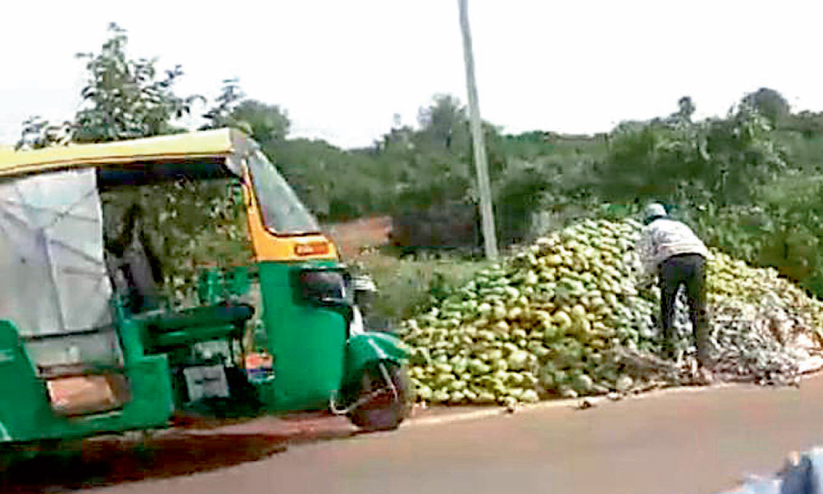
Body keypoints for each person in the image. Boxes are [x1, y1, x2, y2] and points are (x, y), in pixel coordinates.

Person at [635, 203, 711, 373]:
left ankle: (669, 353)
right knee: (699, 311)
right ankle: (704, 360)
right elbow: (696, 244)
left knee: (668, 307)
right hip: (698, 260)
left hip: (671, 261)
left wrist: (645, 281)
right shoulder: (679, 225)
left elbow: (647, 258)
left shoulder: (649, 230)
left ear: (647, 219)